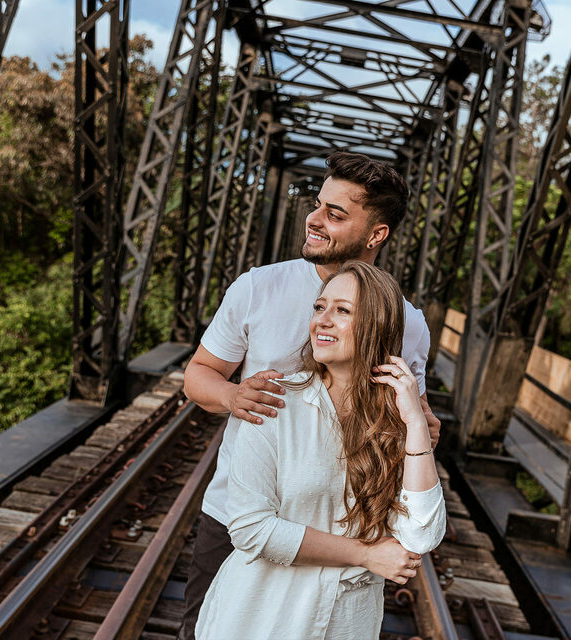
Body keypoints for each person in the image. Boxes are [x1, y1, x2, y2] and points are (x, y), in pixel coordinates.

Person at [179, 151, 442, 640]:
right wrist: (234, 396)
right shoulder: (258, 287)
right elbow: (198, 374)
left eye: (335, 214)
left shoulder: (408, 324)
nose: (315, 220)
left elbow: (408, 425)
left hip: (346, 525)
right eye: (318, 205)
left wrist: (421, 433)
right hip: (245, 512)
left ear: (376, 234)